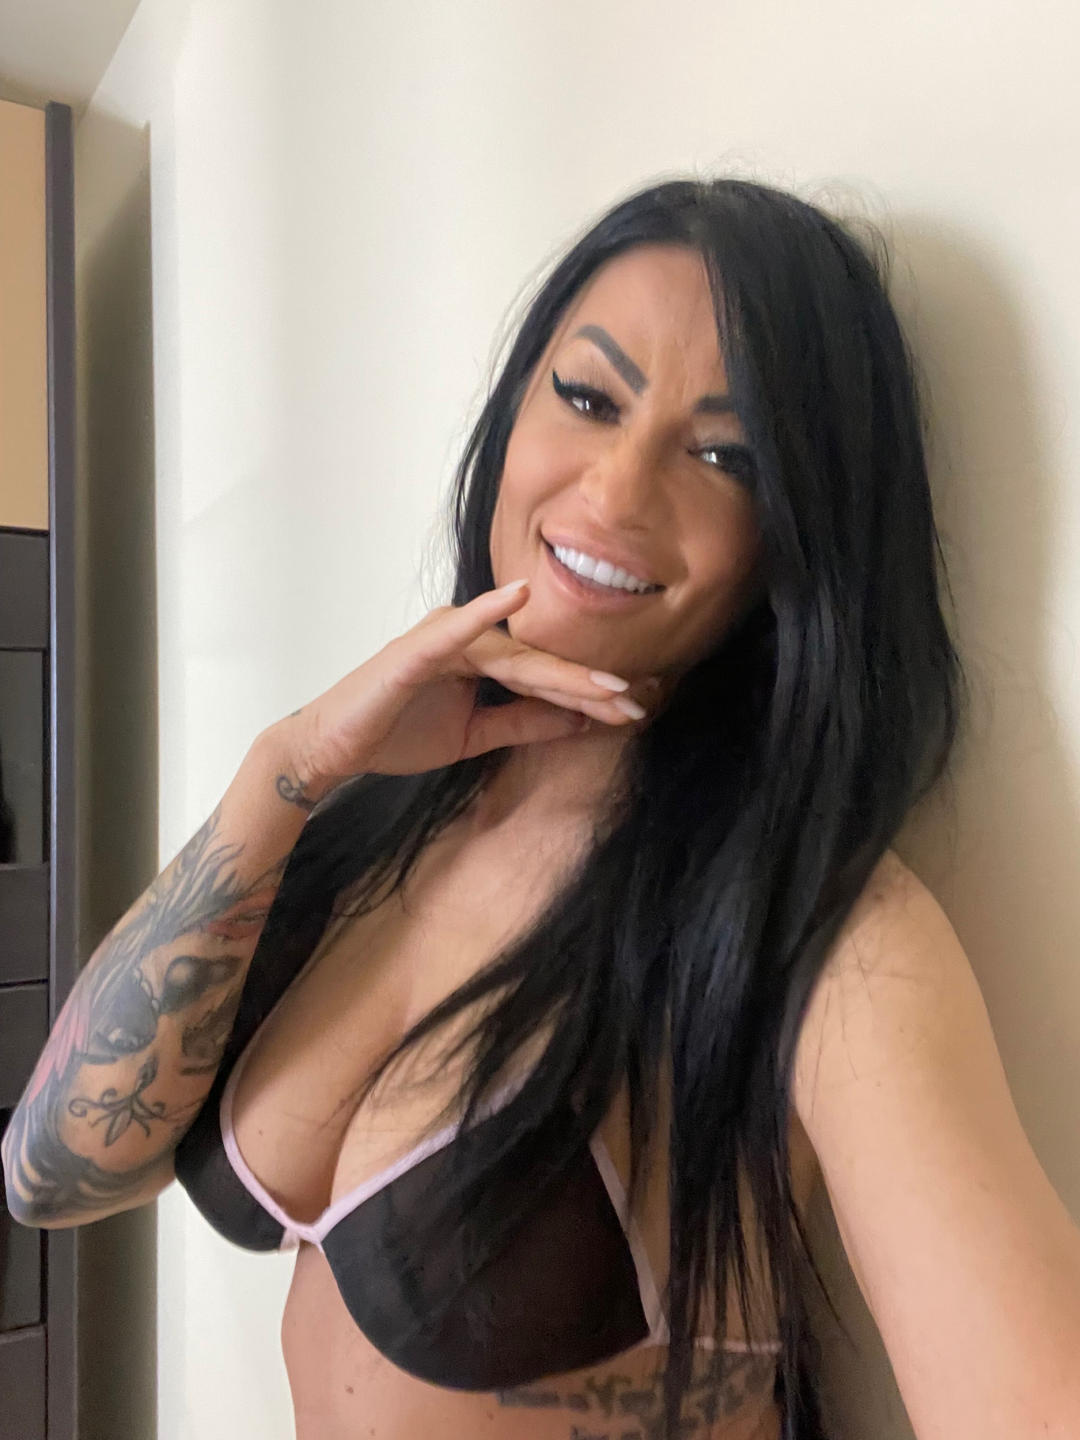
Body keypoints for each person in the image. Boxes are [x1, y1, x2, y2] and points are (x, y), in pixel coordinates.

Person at [6, 177, 1079, 1440]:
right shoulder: (384, 823)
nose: (617, 492)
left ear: (797, 537)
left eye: (725, 455)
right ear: (515, 407)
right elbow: (52, 1173)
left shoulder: (823, 932)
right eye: (588, 396)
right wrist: (288, 767)